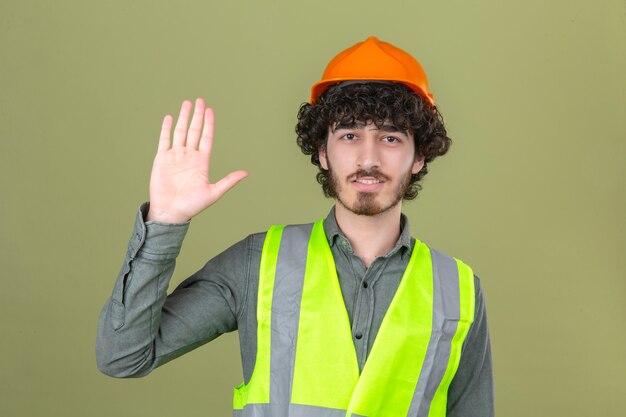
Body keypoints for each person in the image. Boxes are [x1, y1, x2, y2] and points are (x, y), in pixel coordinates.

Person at [96, 36, 494, 417]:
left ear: (419, 156)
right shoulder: (257, 264)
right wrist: (165, 222)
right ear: (323, 152)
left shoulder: (458, 289)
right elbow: (123, 355)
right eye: (350, 135)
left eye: (390, 138)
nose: (368, 158)